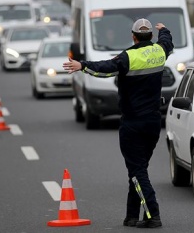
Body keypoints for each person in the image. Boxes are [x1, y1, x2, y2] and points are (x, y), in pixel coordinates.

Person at [63, 18, 173, 229]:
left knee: (137, 171)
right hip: (153, 122)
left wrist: (82, 66)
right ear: (150, 36)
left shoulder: (127, 57)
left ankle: (153, 214)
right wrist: (165, 30)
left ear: (133, 36)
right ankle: (131, 216)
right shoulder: (160, 52)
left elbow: (104, 69)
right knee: (138, 170)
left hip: (132, 123)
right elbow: (168, 42)